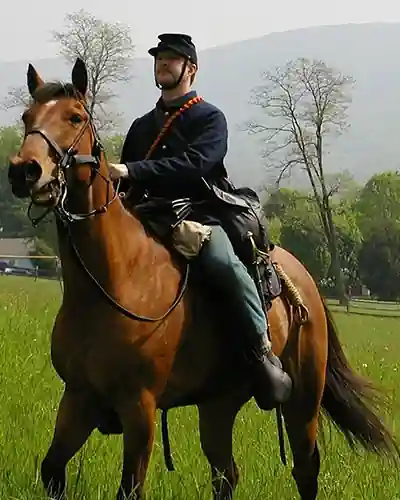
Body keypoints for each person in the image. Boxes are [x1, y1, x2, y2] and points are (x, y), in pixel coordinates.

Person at [107, 33, 292, 412]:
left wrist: (131, 169)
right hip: (146, 215)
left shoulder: (209, 118)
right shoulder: (142, 126)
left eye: (172, 59)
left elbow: (195, 167)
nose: (163, 63)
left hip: (196, 214)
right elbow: (126, 183)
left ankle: (261, 355)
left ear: (190, 68)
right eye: (159, 57)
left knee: (224, 262)